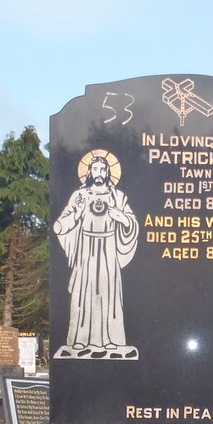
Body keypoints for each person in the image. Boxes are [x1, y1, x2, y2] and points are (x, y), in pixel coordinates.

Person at [53, 152, 139, 359]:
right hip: (86, 250)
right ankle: (80, 340)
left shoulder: (118, 197)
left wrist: (122, 218)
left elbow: (132, 223)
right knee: (84, 292)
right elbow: (59, 226)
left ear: (108, 172)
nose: (99, 173)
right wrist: (76, 212)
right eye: (95, 169)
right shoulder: (80, 195)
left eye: (102, 169)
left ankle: (111, 340)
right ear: (89, 172)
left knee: (108, 293)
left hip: (108, 249)